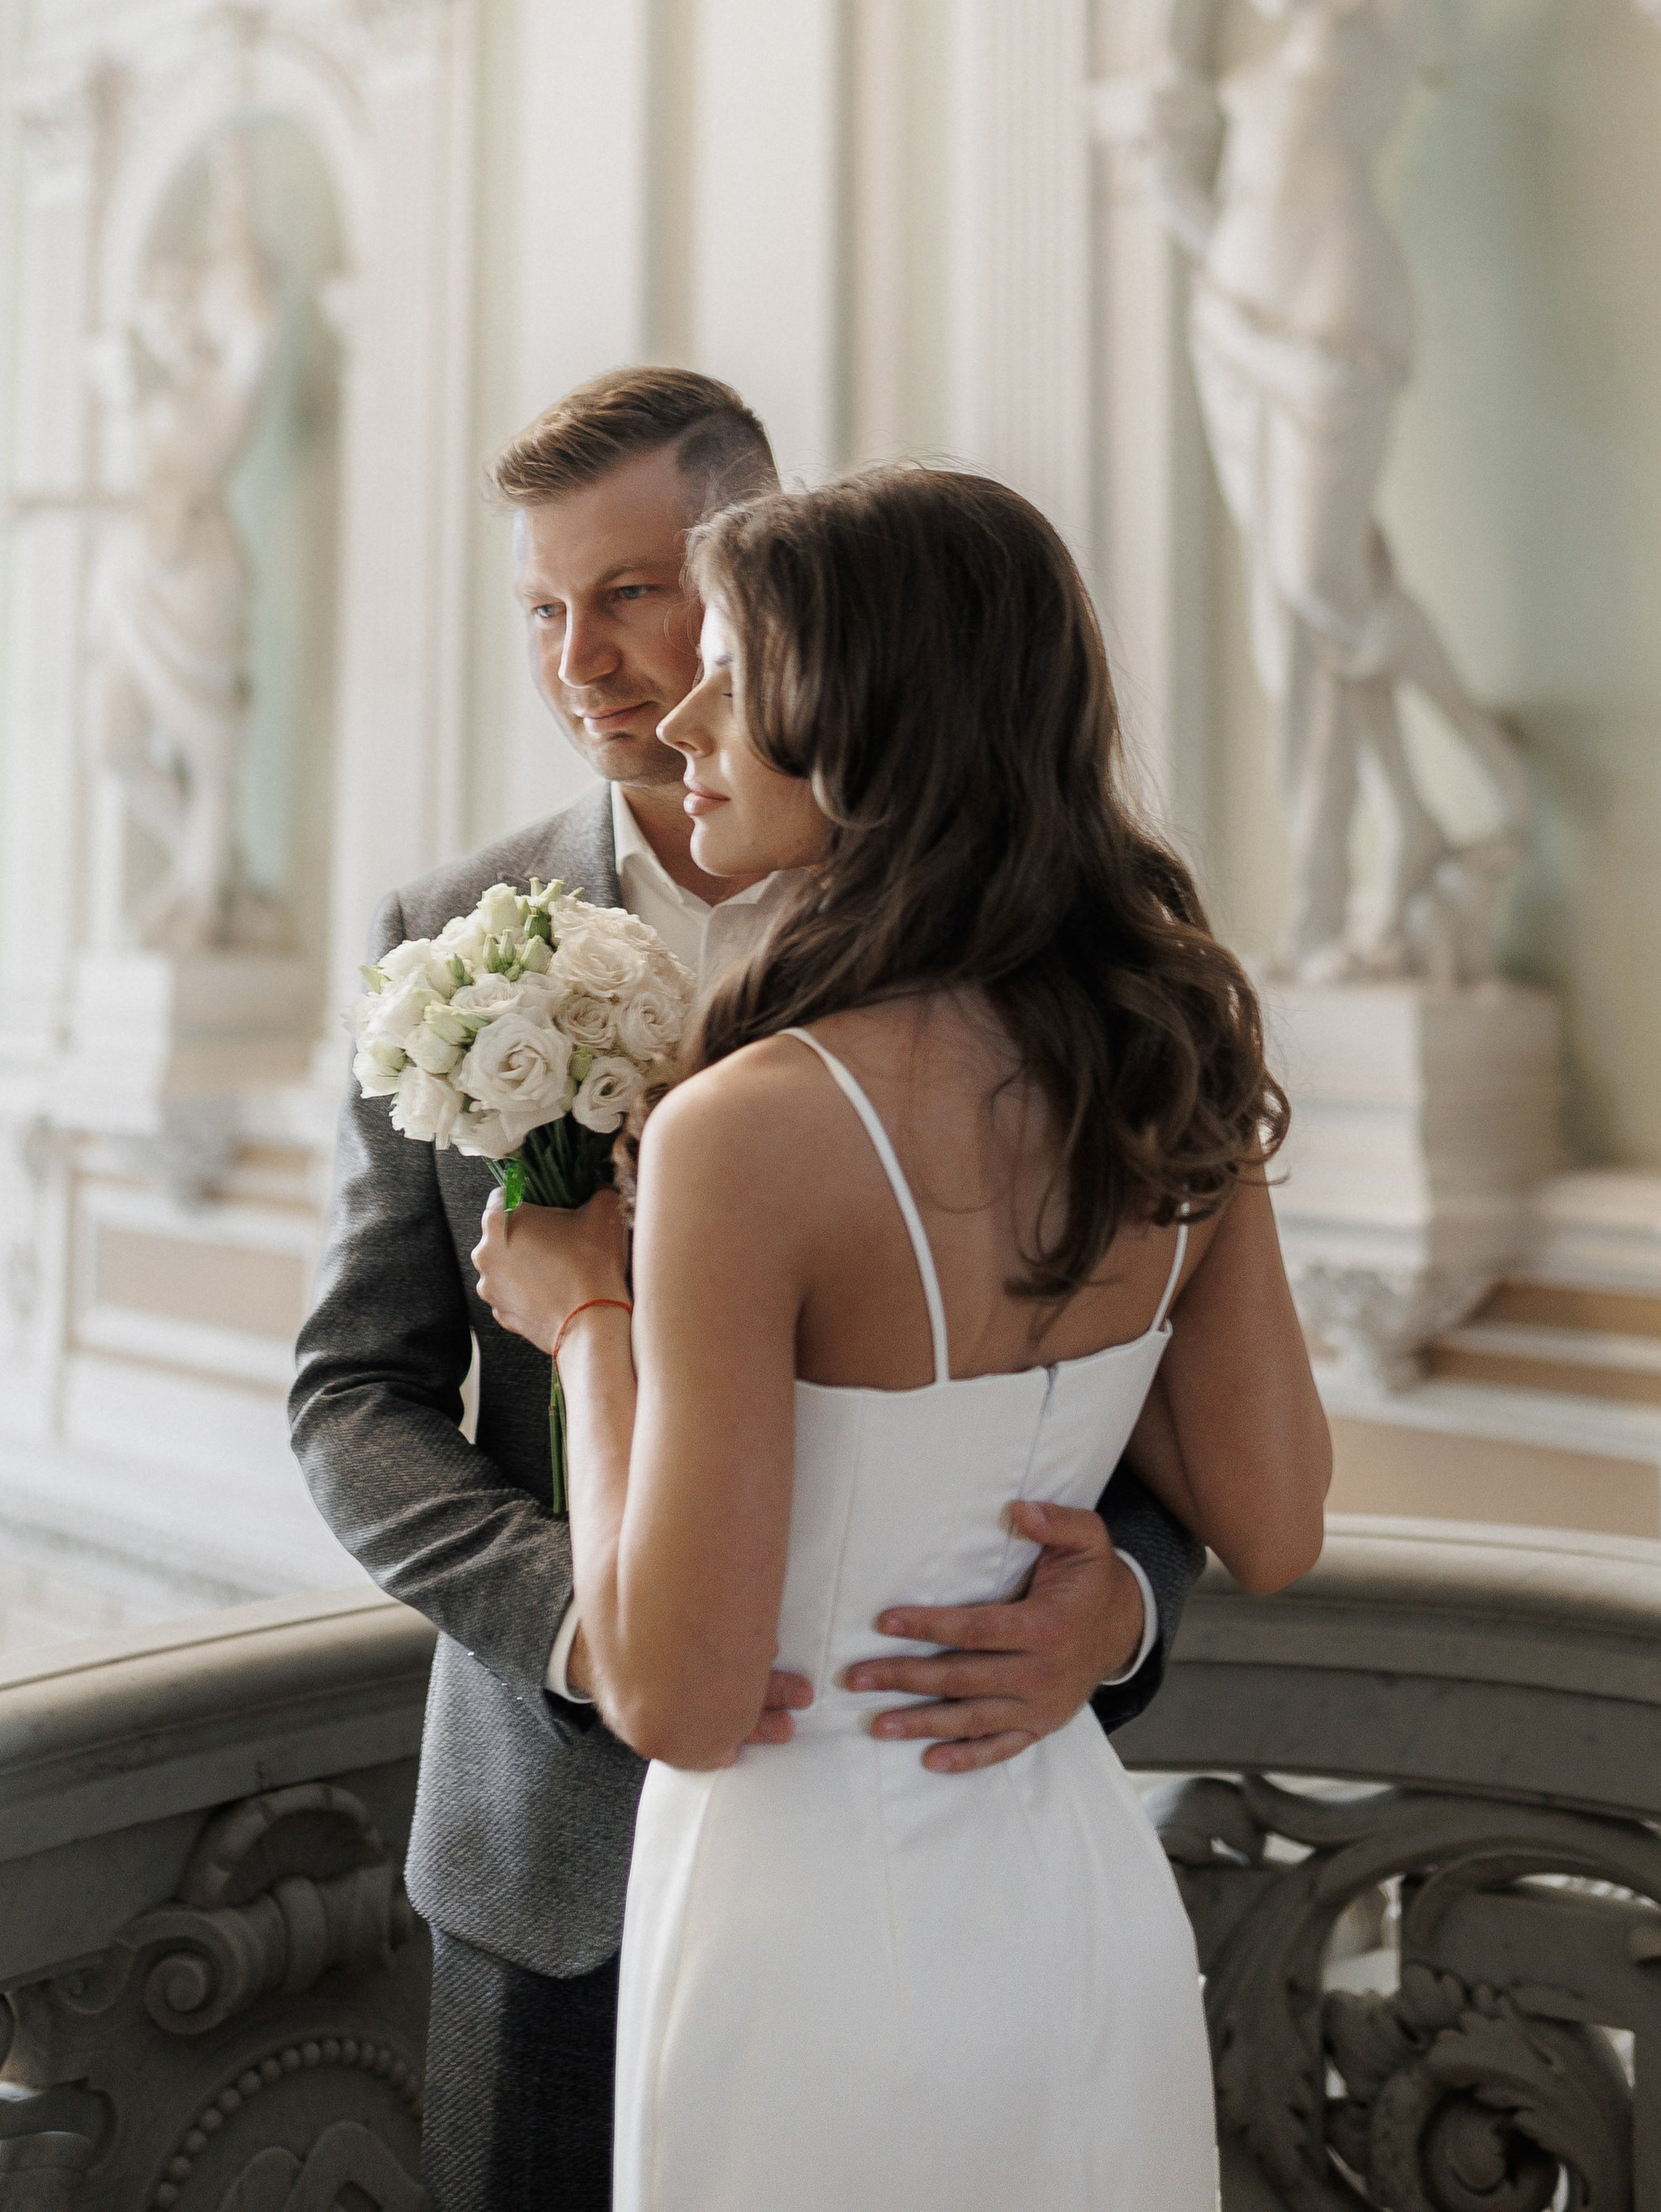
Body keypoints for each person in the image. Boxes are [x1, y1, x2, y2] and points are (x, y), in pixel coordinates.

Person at [289, 371, 1207, 2212]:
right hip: (551, 1858)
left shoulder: (1050, 958)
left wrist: (1117, 1611)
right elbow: (352, 1392)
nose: (585, 662)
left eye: (633, 594)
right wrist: (586, 1622)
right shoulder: (449, 932)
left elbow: (1153, 1411)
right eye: (543, 609)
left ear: (762, 576)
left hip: (936, 1797)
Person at [475, 463, 1332, 2210]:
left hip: (810, 1923)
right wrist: (1098, 1600)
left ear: (871, 720)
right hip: (1064, 1891)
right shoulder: (1169, 1038)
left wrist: (587, 1322)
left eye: (741, 671)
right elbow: (1274, 1515)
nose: (685, 714)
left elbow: (679, 1696)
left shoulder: (754, 1127)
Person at [1151, 0, 1529, 979]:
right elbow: (1239, 226)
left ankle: (1484, 771)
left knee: (1323, 582)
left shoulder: (1372, 21)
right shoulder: (1258, 81)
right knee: (1294, 635)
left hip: (1337, 333)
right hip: (1239, 341)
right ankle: (1380, 849)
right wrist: (1170, 205)